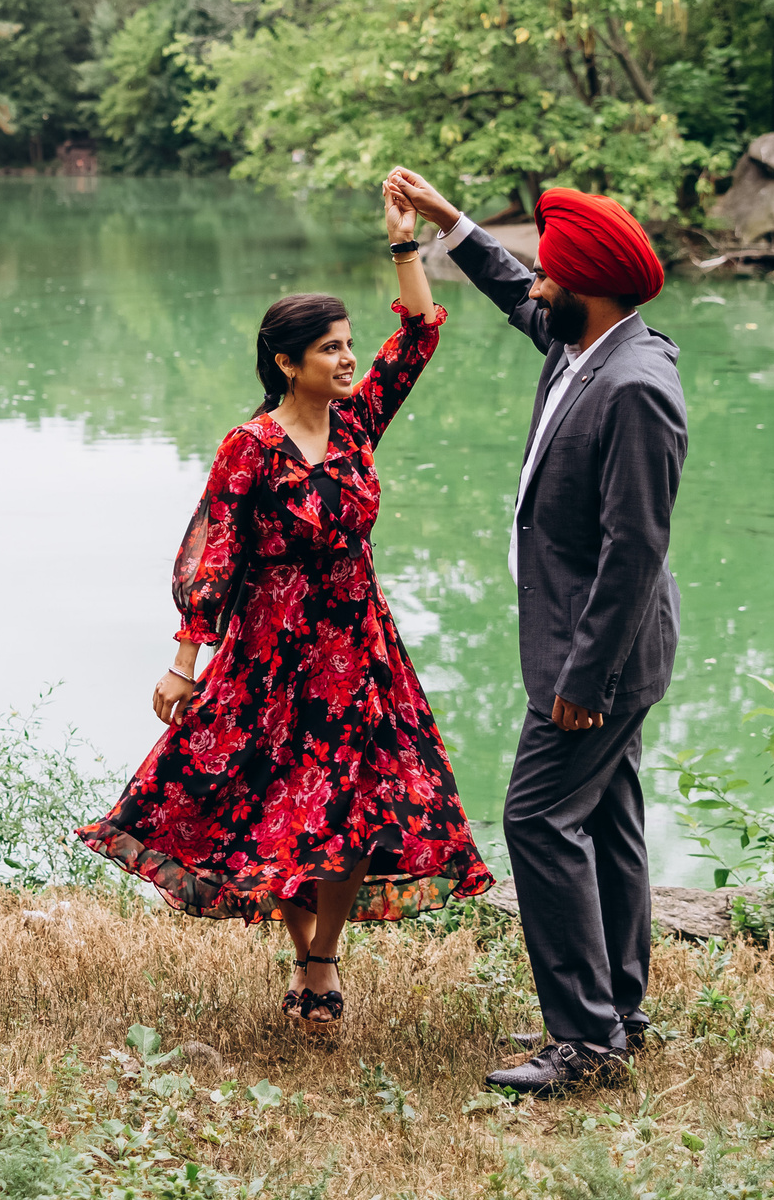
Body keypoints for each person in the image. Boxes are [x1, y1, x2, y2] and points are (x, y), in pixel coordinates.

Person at [78, 187, 494, 1027]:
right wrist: (184, 662)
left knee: (351, 809)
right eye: (331, 349)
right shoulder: (251, 446)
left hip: (359, 649)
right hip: (273, 654)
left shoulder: (356, 425)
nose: (347, 360)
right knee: (276, 813)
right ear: (286, 363)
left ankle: (319, 963)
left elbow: (418, 335)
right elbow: (217, 553)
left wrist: (403, 246)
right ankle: (310, 958)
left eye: (348, 346)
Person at [384, 168, 686, 1094]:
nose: (537, 286)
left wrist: (583, 679)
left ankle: (584, 1043)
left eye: (552, 276)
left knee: (536, 817)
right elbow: (516, 291)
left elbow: (634, 549)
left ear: (588, 289)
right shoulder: (581, 343)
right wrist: (448, 224)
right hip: (598, 647)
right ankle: (619, 1011)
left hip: (599, 654)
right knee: (611, 818)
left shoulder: (635, 386)